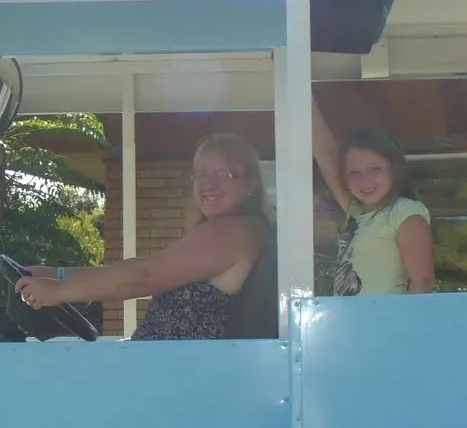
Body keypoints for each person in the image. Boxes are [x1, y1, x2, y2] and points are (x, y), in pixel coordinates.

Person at [14, 132, 276, 339]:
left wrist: (60, 291)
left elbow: (144, 276)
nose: (208, 184)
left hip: (179, 385)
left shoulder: (234, 231)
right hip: (166, 376)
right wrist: (53, 274)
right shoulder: (240, 231)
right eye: (201, 174)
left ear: (251, 185)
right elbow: (137, 273)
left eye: (224, 174)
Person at [311, 93, 435, 295]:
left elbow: (423, 280)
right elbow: (326, 151)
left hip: (388, 325)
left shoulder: (405, 212)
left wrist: (406, 327)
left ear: (393, 169)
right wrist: (303, 95)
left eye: (375, 169)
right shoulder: (356, 214)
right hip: (354, 324)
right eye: (355, 173)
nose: (365, 181)